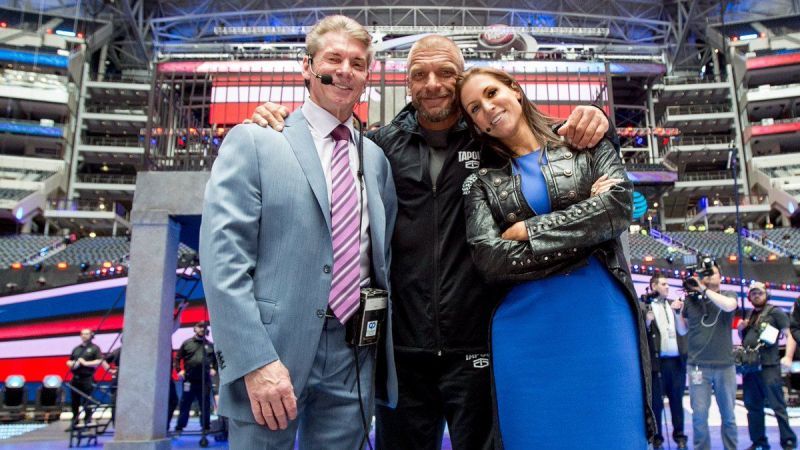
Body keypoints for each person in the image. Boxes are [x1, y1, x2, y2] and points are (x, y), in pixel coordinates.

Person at [247, 35, 612, 449]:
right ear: (407, 83)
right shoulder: (378, 148)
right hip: (401, 353)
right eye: (419, 74)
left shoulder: (490, 140)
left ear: (462, 80)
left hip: (479, 348)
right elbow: (319, 143)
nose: (432, 83)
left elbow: (538, 135)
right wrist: (273, 118)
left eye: (445, 74)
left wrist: (595, 116)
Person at [199, 15, 397, 449]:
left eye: (358, 63)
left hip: (353, 353)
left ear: (367, 77)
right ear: (307, 67)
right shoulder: (256, 140)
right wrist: (254, 360)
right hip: (273, 349)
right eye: (335, 58)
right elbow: (222, 264)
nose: (346, 70)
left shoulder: (376, 160)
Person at [456, 66, 653, 448]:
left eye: (492, 93)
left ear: (514, 89)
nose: (487, 109)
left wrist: (530, 230)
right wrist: (587, 229)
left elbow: (616, 208)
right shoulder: (481, 183)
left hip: (601, 321)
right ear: (475, 126)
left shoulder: (587, 142)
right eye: (474, 109)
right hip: (523, 333)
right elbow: (489, 258)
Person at [676, 263, 738, 450]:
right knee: (699, 416)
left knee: (728, 415)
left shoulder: (728, 295)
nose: (710, 277)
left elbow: (729, 307)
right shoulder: (691, 301)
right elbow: (682, 330)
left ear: (721, 277)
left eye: (713, 273)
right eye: (706, 274)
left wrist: (703, 289)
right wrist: (677, 312)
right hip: (697, 366)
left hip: (724, 365)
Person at [738, 282, 796, 450]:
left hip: (769, 366)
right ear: (749, 297)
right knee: (753, 407)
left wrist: (788, 356)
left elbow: (790, 334)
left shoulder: (775, 312)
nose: (756, 295)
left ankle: (788, 441)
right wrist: (741, 329)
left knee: (777, 406)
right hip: (750, 368)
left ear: (766, 294)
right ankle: (759, 442)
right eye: (753, 293)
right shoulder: (750, 314)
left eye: (760, 292)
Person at [643, 274, 689, 450]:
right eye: (663, 284)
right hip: (658, 363)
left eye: (668, 284)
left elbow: (682, 331)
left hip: (676, 362)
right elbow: (645, 333)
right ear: (654, 286)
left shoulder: (673, 306)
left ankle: (680, 437)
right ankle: (658, 438)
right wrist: (647, 321)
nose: (667, 287)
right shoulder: (647, 307)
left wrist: (678, 313)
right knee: (656, 404)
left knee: (677, 401)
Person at [173, 321, 217, 434]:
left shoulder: (210, 345)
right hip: (189, 381)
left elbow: (216, 361)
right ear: (195, 328)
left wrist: (214, 369)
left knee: (205, 405)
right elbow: (177, 358)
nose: (202, 329)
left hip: (204, 381)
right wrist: (179, 370)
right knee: (185, 404)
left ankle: (206, 427)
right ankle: (179, 428)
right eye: (200, 327)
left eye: (204, 327)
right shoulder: (187, 343)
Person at [66, 328, 103, 426]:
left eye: (86, 334)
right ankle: (74, 421)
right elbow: (70, 360)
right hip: (76, 378)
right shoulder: (77, 348)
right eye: (82, 334)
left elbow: (99, 361)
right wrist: (71, 363)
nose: (84, 336)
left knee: (87, 400)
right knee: (74, 401)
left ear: (91, 335)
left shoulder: (95, 348)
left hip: (87, 378)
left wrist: (86, 363)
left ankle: (88, 420)